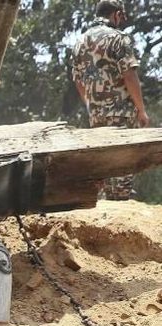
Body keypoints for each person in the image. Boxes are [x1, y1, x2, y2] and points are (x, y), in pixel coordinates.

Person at [72, 0, 150, 200]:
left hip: (96, 116)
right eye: (121, 16)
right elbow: (129, 75)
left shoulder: (80, 42)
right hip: (121, 114)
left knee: (103, 162)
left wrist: (91, 107)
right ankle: (121, 204)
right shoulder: (119, 39)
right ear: (115, 14)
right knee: (123, 161)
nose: (122, 20)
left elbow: (79, 81)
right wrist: (141, 110)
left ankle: (104, 206)